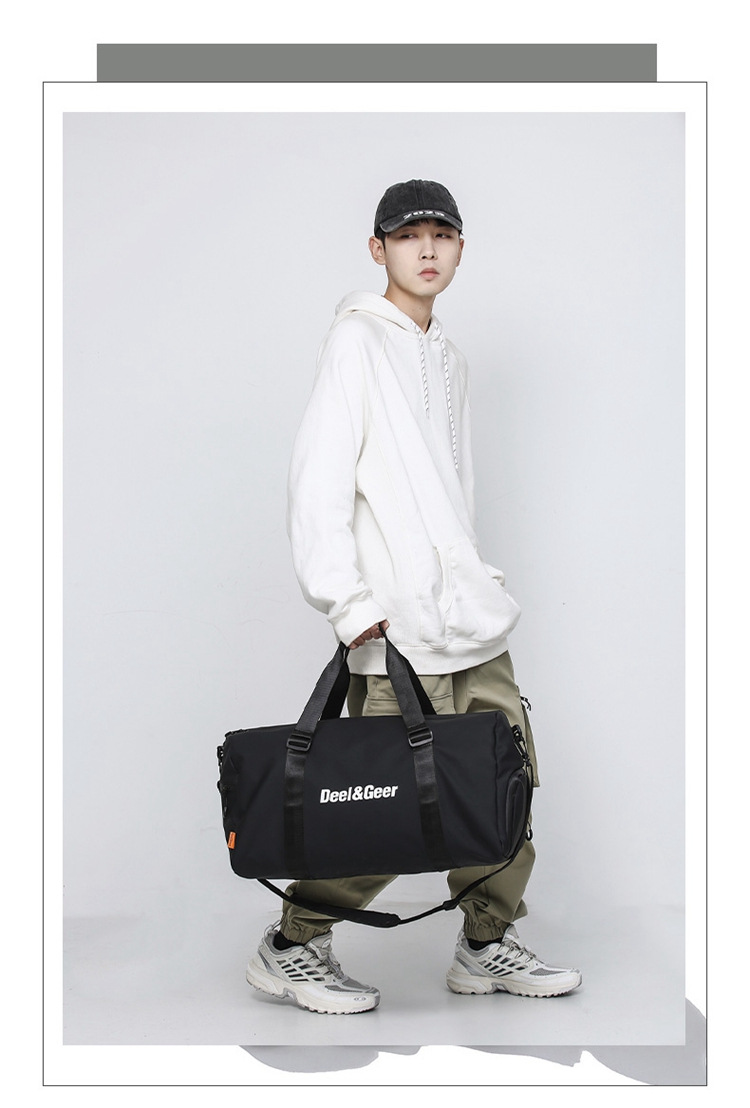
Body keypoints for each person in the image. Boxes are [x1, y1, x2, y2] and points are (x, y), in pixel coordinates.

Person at [245, 180, 582, 1014]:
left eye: (441, 234)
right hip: (395, 625)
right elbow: (316, 482)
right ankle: (291, 944)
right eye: (406, 235)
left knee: (504, 783)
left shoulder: (450, 358)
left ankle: (484, 942)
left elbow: (448, 491)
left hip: (471, 620)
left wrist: (475, 575)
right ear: (378, 249)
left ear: (461, 248)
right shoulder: (356, 342)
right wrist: (347, 601)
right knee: (388, 801)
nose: (426, 249)